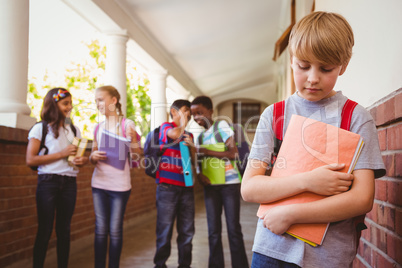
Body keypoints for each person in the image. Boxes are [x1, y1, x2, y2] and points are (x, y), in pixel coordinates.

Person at [241, 11, 386, 268]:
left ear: (344, 64)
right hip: (271, 248)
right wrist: (308, 181)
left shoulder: (355, 118)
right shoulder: (274, 115)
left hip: (328, 256)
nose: (313, 78)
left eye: (326, 68)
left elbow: (362, 198)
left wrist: (291, 213)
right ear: (291, 61)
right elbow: (250, 188)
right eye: (303, 66)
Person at [26, 88, 89, 268]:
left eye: (70, 103)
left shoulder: (75, 130)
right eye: (65, 103)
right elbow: (30, 159)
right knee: (45, 231)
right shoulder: (40, 128)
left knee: (64, 230)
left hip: (69, 182)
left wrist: (81, 160)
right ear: (54, 105)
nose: (69, 107)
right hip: (48, 182)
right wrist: (62, 153)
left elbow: (76, 160)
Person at [190, 96, 249, 268]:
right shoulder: (199, 138)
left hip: (229, 185)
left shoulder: (221, 127)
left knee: (233, 229)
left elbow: (234, 153)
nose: (196, 117)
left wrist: (206, 150)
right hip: (211, 187)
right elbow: (199, 163)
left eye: (200, 113)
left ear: (210, 111)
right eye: (193, 114)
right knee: (213, 231)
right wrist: (199, 174)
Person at [89, 85, 141, 268]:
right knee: (101, 230)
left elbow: (136, 156)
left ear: (114, 100)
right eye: (96, 101)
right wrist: (92, 156)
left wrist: (133, 141)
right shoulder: (98, 127)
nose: (98, 104)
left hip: (120, 186)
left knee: (115, 230)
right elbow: (92, 154)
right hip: (99, 184)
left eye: (101, 99)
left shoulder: (127, 124)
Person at [153, 99, 195, 268]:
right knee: (165, 230)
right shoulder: (166, 127)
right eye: (185, 111)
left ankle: (185, 265)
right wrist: (183, 124)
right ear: (173, 112)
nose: (188, 115)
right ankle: (160, 264)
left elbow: (192, 160)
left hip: (186, 188)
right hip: (167, 187)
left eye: (189, 113)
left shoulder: (189, 135)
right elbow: (174, 134)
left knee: (187, 231)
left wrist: (193, 147)